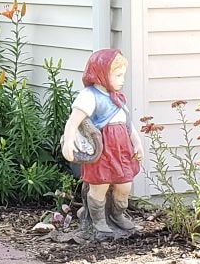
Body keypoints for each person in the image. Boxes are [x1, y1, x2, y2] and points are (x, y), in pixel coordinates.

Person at [61, 48, 144, 240]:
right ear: (101, 73)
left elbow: (128, 124)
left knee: (124, 184)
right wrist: (68, 142)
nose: (122, 79)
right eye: (118, 75)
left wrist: (137, 144)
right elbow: (73, 122)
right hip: (103, 149)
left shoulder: (118, 97)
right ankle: (98, 220)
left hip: (121, 148)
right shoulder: (89, 95)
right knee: (100, 185)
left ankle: (117, 215)